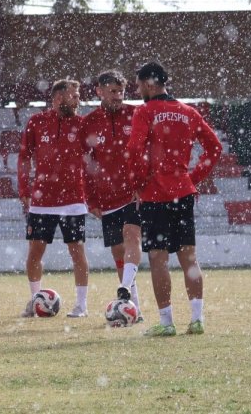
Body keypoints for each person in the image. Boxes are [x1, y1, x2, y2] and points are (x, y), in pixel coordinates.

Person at [126, 61, 222, 337]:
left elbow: (134, 149)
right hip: (182, 192)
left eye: (139, 85)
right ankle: (197, 319)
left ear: (149, 83)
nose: (138, 90)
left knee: (158, 258)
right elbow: (214, 148)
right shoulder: (188, 112)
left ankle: (167, 322)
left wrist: (138, 183)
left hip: (155, 194)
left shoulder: (145, 111)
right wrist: (192, 178)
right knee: (189, 258)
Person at [18, 79, 90, 318]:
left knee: (77, 252)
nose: (78, 100)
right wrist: (24, 190)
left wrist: (93, 194)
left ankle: (81, 306)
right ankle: (35, 301)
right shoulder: (37, 122)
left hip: (74, 200)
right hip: (42, 201)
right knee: (35, 253)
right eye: (74, 95)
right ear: (59, 98)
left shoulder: (82, 124)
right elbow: (24, 157)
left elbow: (93, 161)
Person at [81, 70, 143, 319]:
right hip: (107, 198)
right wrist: (91, 199)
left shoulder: (136, 114)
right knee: (118, 252)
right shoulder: (89, 122)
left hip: (133, 193)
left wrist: (144, 184)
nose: (118, 96)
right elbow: (86, 164)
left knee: (132, 236)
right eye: (113, 92)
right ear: (99, 91)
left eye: (121, 92)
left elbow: (148, 152)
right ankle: (134, 307)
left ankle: (125, 288)